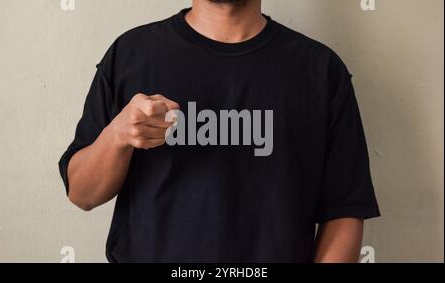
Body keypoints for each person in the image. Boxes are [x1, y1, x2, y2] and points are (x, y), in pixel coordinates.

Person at [58, 0, 380, 263]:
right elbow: (82, 194)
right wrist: (118, 136)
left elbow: (345, 210)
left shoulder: (320, 71)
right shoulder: (130, 55)